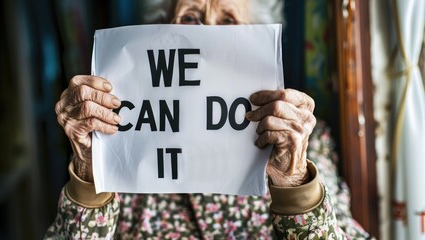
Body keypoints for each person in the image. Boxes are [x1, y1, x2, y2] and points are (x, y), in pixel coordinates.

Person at [45, 0, 374, 239]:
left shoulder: (302, 140)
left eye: (228, 22)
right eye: (190, 19)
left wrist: (294, 182)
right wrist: (90, 172)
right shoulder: (118, 134)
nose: (208, 38)